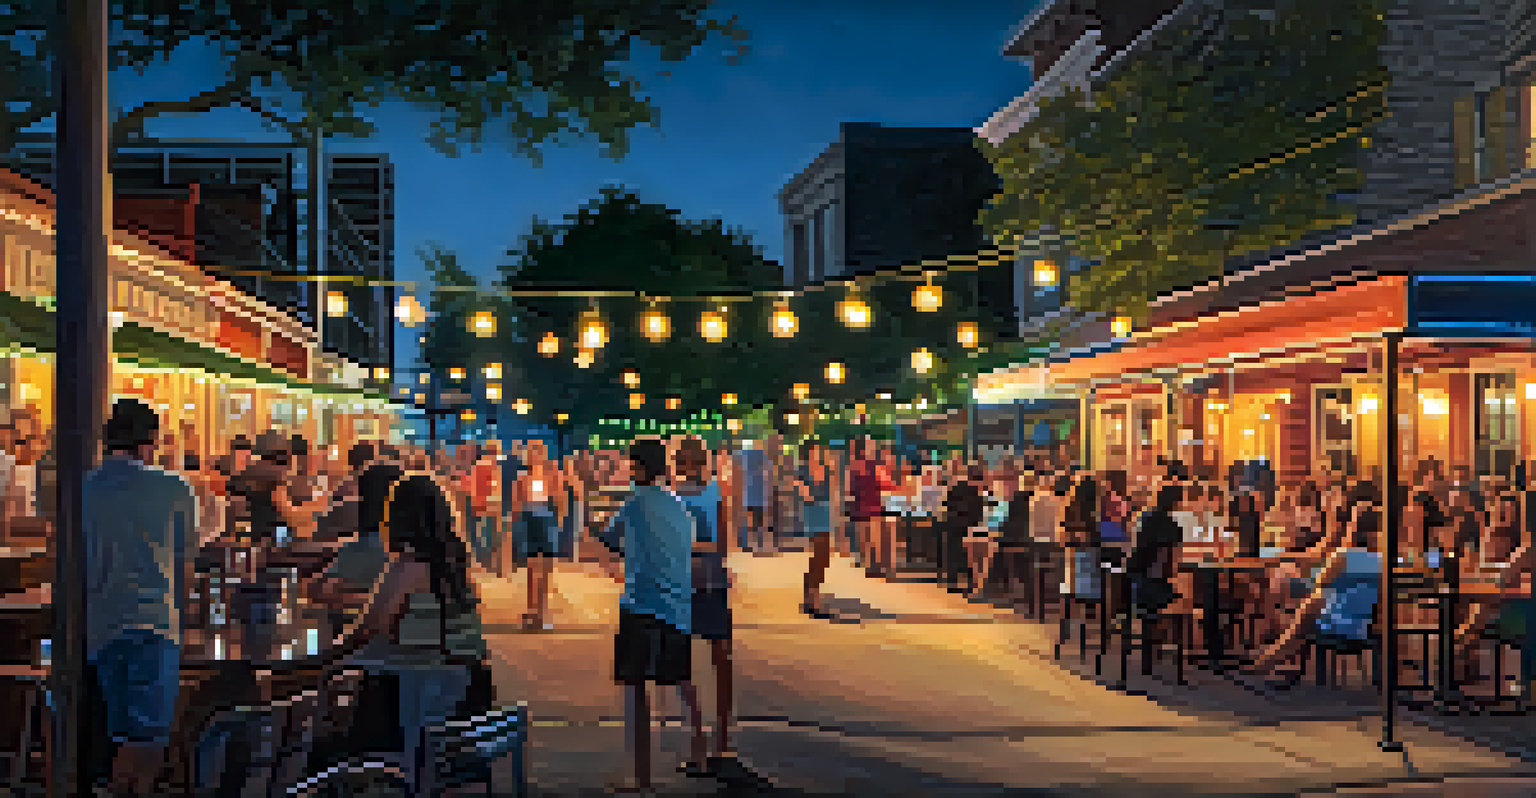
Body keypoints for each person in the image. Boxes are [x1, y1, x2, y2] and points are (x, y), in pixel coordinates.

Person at [333, 469, 493, 795]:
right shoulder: (455, 563)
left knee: (335, 690)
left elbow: (370, 627)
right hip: (470, 688)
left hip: (423, 692)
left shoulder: (407, 566)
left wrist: (328, 655)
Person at [83, 399, 199, 797]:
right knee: (149, 740)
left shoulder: (84, 488)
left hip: (100, 627)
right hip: (154, 623)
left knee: (120, 733)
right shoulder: (174, 488)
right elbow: (184, 566)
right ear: (149, 442)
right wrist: (183, 621)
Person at [596, 438, 699, 794]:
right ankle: (701, 749)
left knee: (636, 692)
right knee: (680, 681)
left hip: (641, 604)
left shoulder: (634, 503)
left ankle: (641, 778)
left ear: (639, 467)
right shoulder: (679, 506)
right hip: (678, 609)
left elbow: (608, 542)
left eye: (631, 465)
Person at [670, 437, 760, 782]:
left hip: (684, 582)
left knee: (684, 663)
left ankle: (701, 740)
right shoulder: (714, 493)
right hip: (711, 580)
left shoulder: (673, 496)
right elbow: (721, 544)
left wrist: (686, 546)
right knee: (720, 660)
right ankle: (721, 742)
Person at [509, 440, 568, 630]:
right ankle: (531, 609)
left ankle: (542, 612)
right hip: (529, 522)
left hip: (547, 521)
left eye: (536, 450)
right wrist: (514, 526)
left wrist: (557, 521)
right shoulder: (522, 477)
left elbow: (561, 499)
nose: (533, 455)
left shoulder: (553, 475)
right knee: (531, 568)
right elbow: (516, 503)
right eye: (531, 451)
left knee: (545, 569)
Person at [797, 442, 836, 616]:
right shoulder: (802, 471)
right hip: (812, 515)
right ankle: (812, 599)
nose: (819, 454)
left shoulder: (827, 470)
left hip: (825, 514)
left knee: (824, 558)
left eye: (820, 451)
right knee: (819, 555)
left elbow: (832, 493)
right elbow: (806, 495)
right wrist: (807, 491)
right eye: (815, 451)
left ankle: (812, 593)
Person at [942, 465, 985, 592]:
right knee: (968, 555)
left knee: (953, 553)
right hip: (968, 527)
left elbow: (947, 503)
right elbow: (979, 512)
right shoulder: (977, 492)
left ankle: (952, 582)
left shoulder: (957, 487)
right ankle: (970, 582)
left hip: (952, 524)